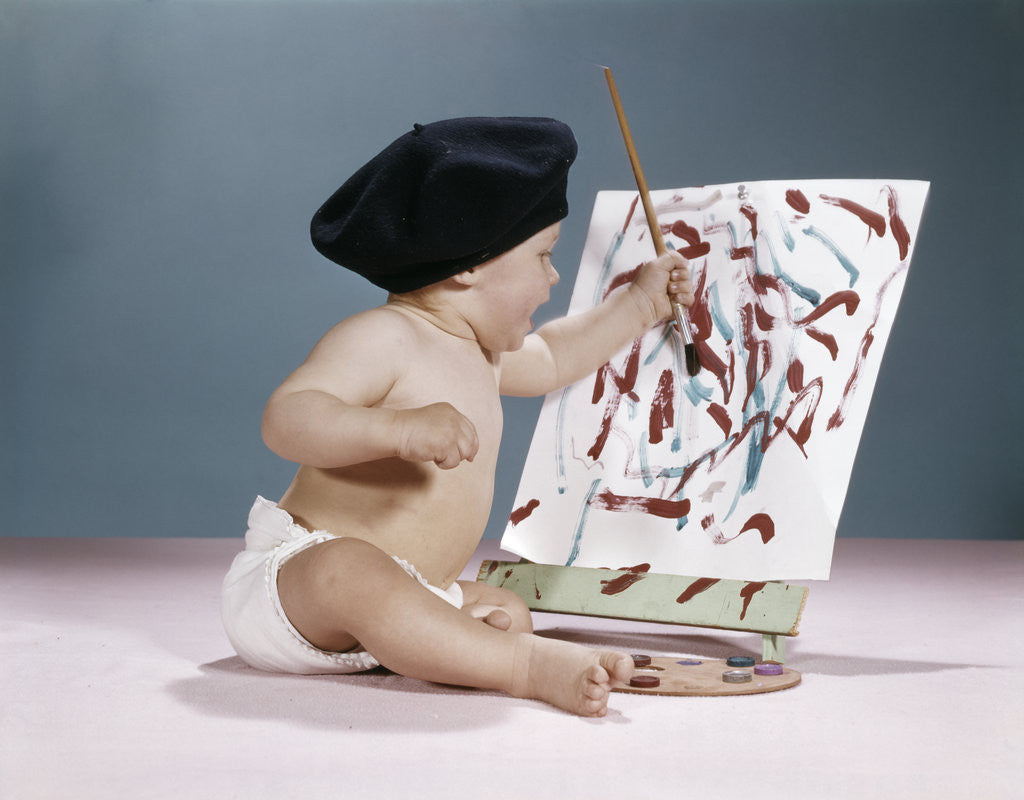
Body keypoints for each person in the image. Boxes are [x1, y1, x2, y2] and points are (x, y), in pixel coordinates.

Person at [221, 116, 694, 716]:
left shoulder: (483, 352)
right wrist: (394, 429)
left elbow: (553, 358)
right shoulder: (385, 336)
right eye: (544, 256)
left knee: (504, 610)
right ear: (471, 263)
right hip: (299, 590)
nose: (553, 277)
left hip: (407, 592)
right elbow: (286, 418)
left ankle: (459, 648)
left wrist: (641, 303)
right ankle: (523, 665)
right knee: (352, 567)